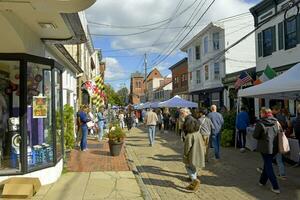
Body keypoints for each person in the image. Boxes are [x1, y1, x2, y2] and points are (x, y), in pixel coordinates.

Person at [253, 107, 280, 194]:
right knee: (267, 164)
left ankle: (275, 186)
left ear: (264, 114)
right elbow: (279, 132)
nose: (260, 114)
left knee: (268, 166)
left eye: (261, 112)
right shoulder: (276, 121)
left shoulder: (260, 123)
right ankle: (262, 181)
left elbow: (255, 135)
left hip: (265, 148)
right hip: (274, 147)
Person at [182, 117, 205, 192]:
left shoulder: (189, 135)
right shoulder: (198, 134)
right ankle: (193, 184)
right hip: (199, 154)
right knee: (193, 168)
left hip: (192, 156)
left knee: (188, 167)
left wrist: (185, 155)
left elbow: (187, 148)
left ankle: (194, 180)